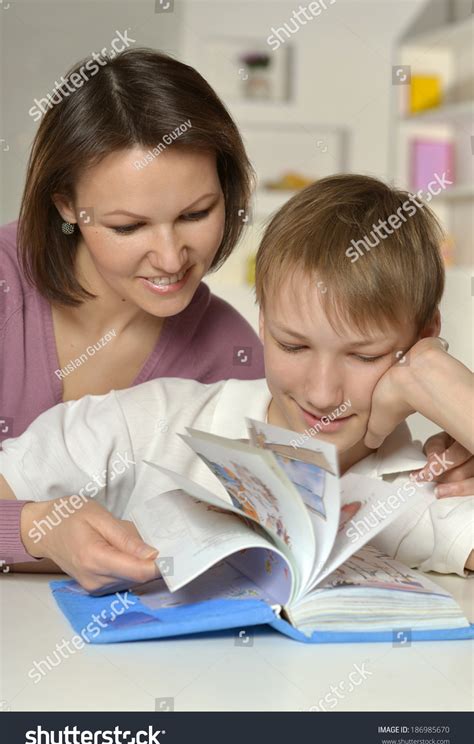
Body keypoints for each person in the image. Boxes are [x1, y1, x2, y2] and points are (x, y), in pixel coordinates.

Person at [1, 174, 472, 591]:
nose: (323, 394)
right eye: (294, 346)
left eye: (364, 356)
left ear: (423, 340)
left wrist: (453, 391)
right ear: (263, 323)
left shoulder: (434, 484)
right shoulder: (144, 420)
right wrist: (36, 530)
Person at [0, 47, 265, 572]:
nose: (171, 258)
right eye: (128, 226)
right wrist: (33, 528)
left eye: (196, 213)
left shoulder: (232, 358)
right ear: (65, 206)